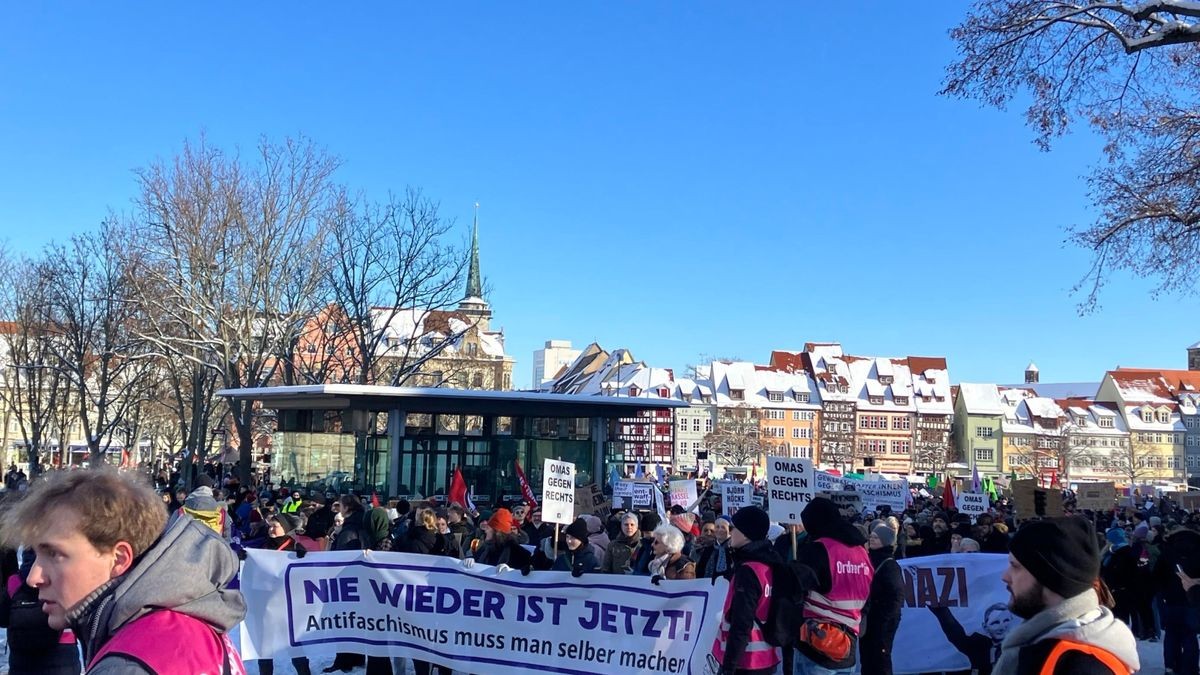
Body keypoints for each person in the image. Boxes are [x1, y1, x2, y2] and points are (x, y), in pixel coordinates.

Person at [2, 468, 246, 674]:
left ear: (119, 558)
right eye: (36, 555)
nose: (35, 578)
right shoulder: (186, 623)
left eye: (55, 554)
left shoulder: (128, 664)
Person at [991, 517, 1139, 674]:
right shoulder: (1044, 642)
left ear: (1050, 577)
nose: (1005, 576)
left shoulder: (1081, 665)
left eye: (1015, 567)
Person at [790, 497, 873, 675]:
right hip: (847, 643)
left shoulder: (819, 549)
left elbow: (794, 589)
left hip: (816, 643)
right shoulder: (861, 552)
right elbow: (869, 593)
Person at [711, 505, 781, 675]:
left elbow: (741, 623)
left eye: (733, 528)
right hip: (767, 658)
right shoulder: (772, 563)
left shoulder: (749, 570)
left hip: (745, 661)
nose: (730, 532)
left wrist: (728, 668)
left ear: (745, 533)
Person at [1, 547, 80, 674]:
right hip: (62, 656)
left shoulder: (14, 582)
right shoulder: (62, 578)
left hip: (21, 659)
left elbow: (3, 618)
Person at [254, 513, 312, 675]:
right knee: (265, 647)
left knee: (293, 645)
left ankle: (304, 672)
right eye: (270, 526)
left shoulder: (294, 547)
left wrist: (303, 556)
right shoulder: (263, 545)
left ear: (285, 529)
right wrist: (245, 559)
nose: (271, 529)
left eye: (275, 526)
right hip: (266, 605)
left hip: (288, 606)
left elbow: (307, 574)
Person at [860, 524, 904, 675]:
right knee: (867, 658)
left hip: (883, 621)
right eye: (871, 535)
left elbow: (896, 596)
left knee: (880, 660)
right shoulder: (869, 559)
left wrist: (884, 618)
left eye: (876, 537)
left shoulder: (889, 565)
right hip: (870, 618)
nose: (871, 538)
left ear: (885, 541)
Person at [170, 474, 230, 539]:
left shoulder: (180, 511)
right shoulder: (222, 513)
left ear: (194, 488)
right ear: (210, 488)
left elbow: (169, 536)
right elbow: (227, 540)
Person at [697, 516, 733, 580]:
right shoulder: (708, 549)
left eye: (723, 527)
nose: (719, 530)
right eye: (717, 527)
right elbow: (700, 570)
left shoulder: (733, 549)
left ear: (729, 530)